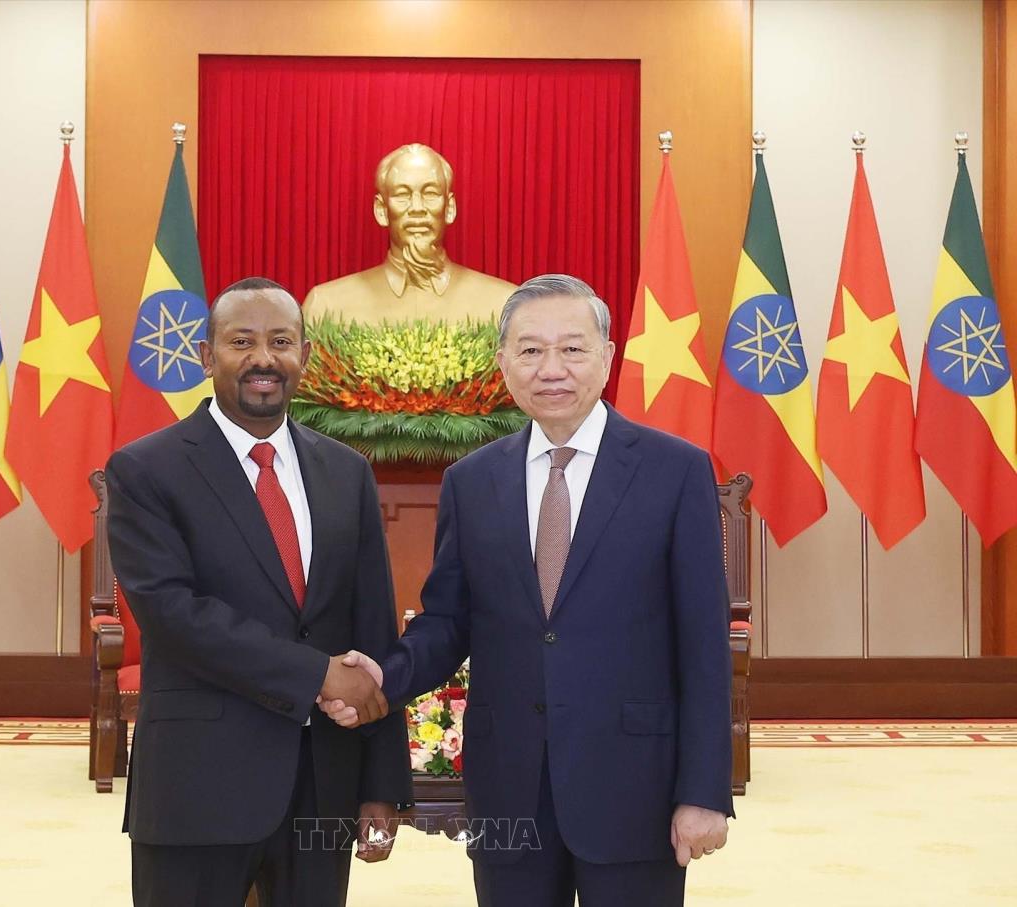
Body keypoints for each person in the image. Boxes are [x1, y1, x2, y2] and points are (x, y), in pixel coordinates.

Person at [322, 274, 733, 906]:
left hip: (634, 785)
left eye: (572, 348)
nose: (551, 369)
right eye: (531, 350)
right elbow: (448, 621)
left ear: (607, 356)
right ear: (503, 363)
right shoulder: (472, 480)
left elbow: (704, 642)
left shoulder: (675, 470)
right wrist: (385, 676)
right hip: (507, 787)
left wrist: (703, 791)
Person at [106, 277, 412, 907]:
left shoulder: (346, 471)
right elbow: (173, 615)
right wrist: (316, 674)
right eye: (241, 342)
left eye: (281, 341)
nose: (263, 359)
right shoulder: (147, 469)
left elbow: (372, 628)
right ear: (206, 355)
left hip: (322, 784)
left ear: (305, 355)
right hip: (199, 782)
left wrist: (382, 786)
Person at [302, 143, 515, 325]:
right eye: (402, 195)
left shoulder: (501, 304)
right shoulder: (327, 307)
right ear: (381, 210)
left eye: (430, 193)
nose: (417, 208)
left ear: (450, 208)